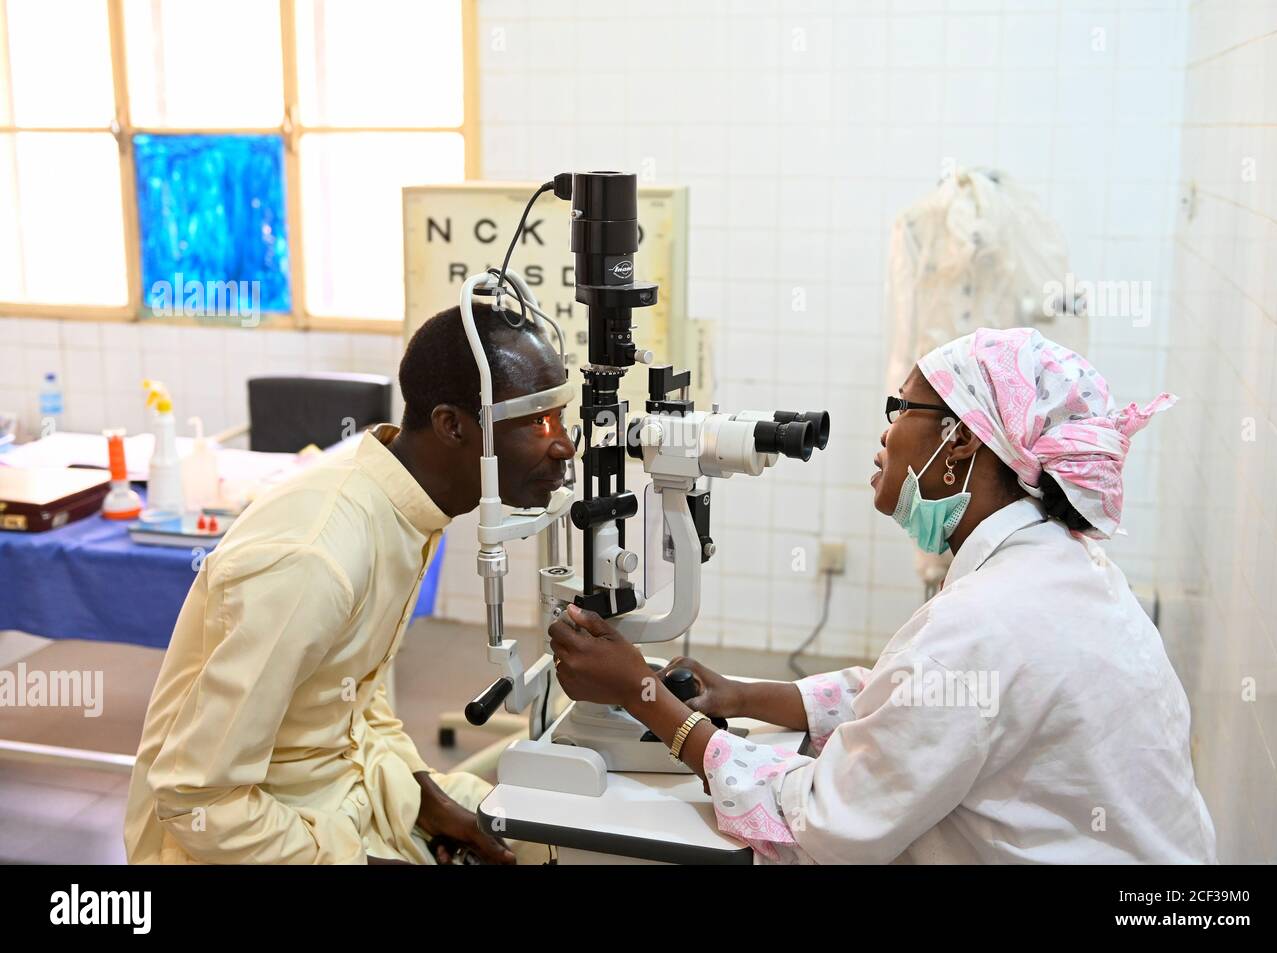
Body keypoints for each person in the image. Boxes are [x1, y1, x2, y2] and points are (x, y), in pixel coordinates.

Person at [548, 326, 1217, 864]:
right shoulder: (1065, 570)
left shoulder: (984, 623)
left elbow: (819, 833)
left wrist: (651, 702)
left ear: (959, 448)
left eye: (901, 409)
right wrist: (746, 698)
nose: (885, 432)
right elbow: (923, 702)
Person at [125, 301, 575, 864]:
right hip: (243, 835)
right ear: (452, 426)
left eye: (561, 416)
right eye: (538, 421)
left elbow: (358, 703)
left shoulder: (408, 508)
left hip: (347, 790)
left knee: (550, 836)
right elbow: (195, 798)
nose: (564, 445)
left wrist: (425, 800)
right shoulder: (315, 557)